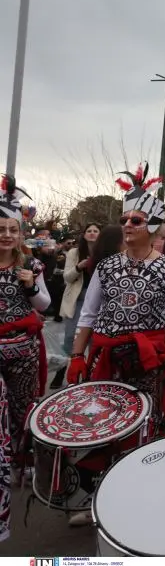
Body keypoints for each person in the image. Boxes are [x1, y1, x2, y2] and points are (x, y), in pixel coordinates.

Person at [69, 163, 165, 429]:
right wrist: (77, 355)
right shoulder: (105, 266)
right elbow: (88, 314)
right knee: (99, 424)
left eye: (136, 221)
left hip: (147, 363)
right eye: (124, 220)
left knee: (140, 427)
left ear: (152, 227)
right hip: (105, 359)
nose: (127, 225)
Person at [0, 176, 50, 499]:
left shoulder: (31, 263)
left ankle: (22, 460)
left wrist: (31, 284)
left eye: (12, 230)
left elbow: (45, 304)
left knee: (22, 408)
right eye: (1, 229)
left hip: (23, 351)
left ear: (21, 234)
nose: (6, 235)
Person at [52, 223, 101, 389]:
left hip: (97, 301)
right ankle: (61, 371)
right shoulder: (74, 252)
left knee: (94, 340)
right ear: (84, 234)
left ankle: (89, 375)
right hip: (77, 300)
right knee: (70, 338)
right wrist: (79, 267)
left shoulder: (105, 252)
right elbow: (67, 277)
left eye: (95, 231)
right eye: (89, 231)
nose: (92, 233)